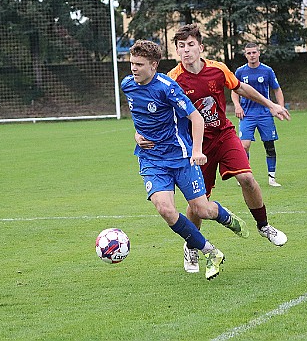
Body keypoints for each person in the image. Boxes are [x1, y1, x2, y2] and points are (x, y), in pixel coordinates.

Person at [136, 25, 290, 274]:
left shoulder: (217, 70)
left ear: (201, 47)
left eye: (190, 45)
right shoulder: (171, 79)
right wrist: (138, 134)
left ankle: (264, 226)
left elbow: (240, 88)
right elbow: (153, 112)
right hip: (193, 146)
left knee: (247, 178)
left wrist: (271, 104)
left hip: (223, 134)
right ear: (176, 51)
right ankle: (191, 245)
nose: (186, 51)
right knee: (198, 206)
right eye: (181, 46)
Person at [121, 39, 250, 280]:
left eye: (139, 64)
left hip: (181, 156)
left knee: (202, 210)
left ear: (154, 65)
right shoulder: (127, 85)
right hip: (152, 159)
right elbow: (139, 116)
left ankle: (225, 216)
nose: (134, 69)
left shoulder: (167, 87)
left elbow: (196, 118)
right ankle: (211, 252)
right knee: (166, 210)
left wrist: (197, 151)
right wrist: (137, 135)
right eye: (132, 63)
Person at [232, 43, 285, 187]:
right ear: (245, 55)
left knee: (269, 145)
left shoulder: (267, 71)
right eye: (249, 53)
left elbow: (277, 89)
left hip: (264, 114)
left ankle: (271, 178)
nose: (252, 55)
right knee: (244, 146)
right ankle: (245, 175)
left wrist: (279, 107)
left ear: (259, 53)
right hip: (247, 114)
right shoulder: (240, 71)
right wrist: (237, 105)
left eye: (254, 52)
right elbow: (234, 90)